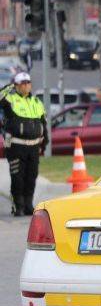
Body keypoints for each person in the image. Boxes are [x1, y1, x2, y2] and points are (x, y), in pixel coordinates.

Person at [0, 72, 48, 216]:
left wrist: (45, 141)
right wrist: (9, 86)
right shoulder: (10, 99)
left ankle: (28, 205)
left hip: (33, 146)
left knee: (31, 176)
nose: (26, 85)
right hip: (16, 146)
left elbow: (43, 123)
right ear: (17, 85)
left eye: (28, 82)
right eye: (22, 83)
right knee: (18, 177)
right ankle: (18, 206)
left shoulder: (37, 102)